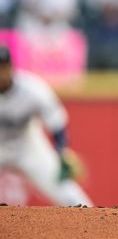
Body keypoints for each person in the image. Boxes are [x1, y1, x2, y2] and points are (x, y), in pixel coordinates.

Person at [0, 45, 92, 206]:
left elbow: (57, 124)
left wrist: (61, 153)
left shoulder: (33, 89)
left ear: (10, 67)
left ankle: (95, 224)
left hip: (28, 148)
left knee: (71, 197)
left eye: (2, 67)